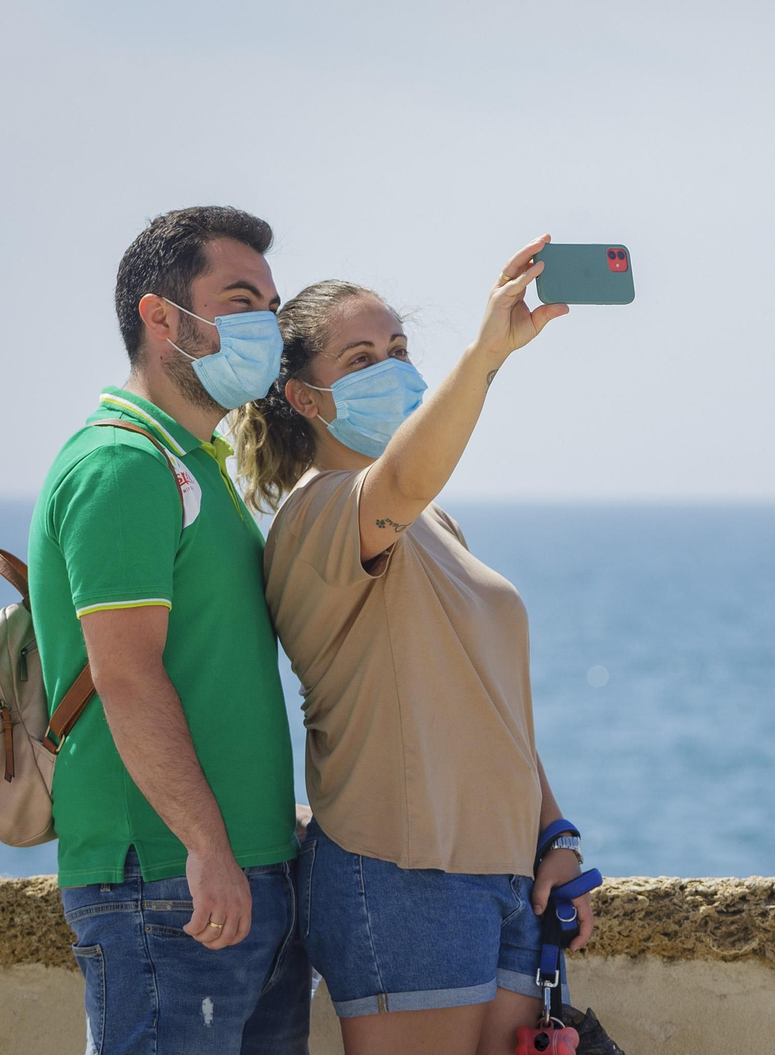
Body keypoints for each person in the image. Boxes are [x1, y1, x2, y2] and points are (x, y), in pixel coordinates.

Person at [230, 236, 594, 1055]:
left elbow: (492, 703)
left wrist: (555, 837)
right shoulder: (320, 511)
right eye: (360, 357)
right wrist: (488, 355)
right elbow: (401, 478)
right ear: (305, 398)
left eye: (397, 349)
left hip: (502, 877)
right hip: (400, 872)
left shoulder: (435, 524)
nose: (391, 367)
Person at [29, 207, 310, 1053]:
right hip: (167, 881)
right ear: (161, 317)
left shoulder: (195, 462)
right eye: (239, 300)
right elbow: (127, 675)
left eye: (271, 302)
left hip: (238, 873)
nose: (268, 324)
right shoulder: (122, 462)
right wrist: (206, 844)